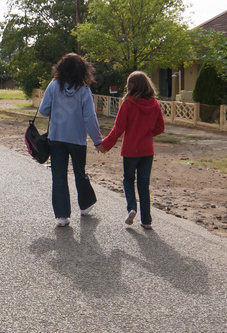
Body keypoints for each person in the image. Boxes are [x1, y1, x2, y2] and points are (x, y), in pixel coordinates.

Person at [38, 53, 104, 227]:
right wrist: (97, 140)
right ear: (83, 69)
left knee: (58, 176)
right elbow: (90, 117)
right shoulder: (84, 89)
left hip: (56, 138)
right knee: (79, 172)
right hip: (77, 140)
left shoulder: (53, 86)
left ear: (60, 68)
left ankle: (62, 216)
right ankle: (85, 205)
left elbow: (43, 110)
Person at [97, 71, 165, 228]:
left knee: (128, 179)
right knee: (143, 184)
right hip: (147, 150)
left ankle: (132, 208)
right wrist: (147, 134)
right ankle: (146, 220)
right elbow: (160, 127)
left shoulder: (128, 103)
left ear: (132, 86)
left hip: (130, 150)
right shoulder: (155, 104)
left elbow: (118, 128)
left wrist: (105, 145)